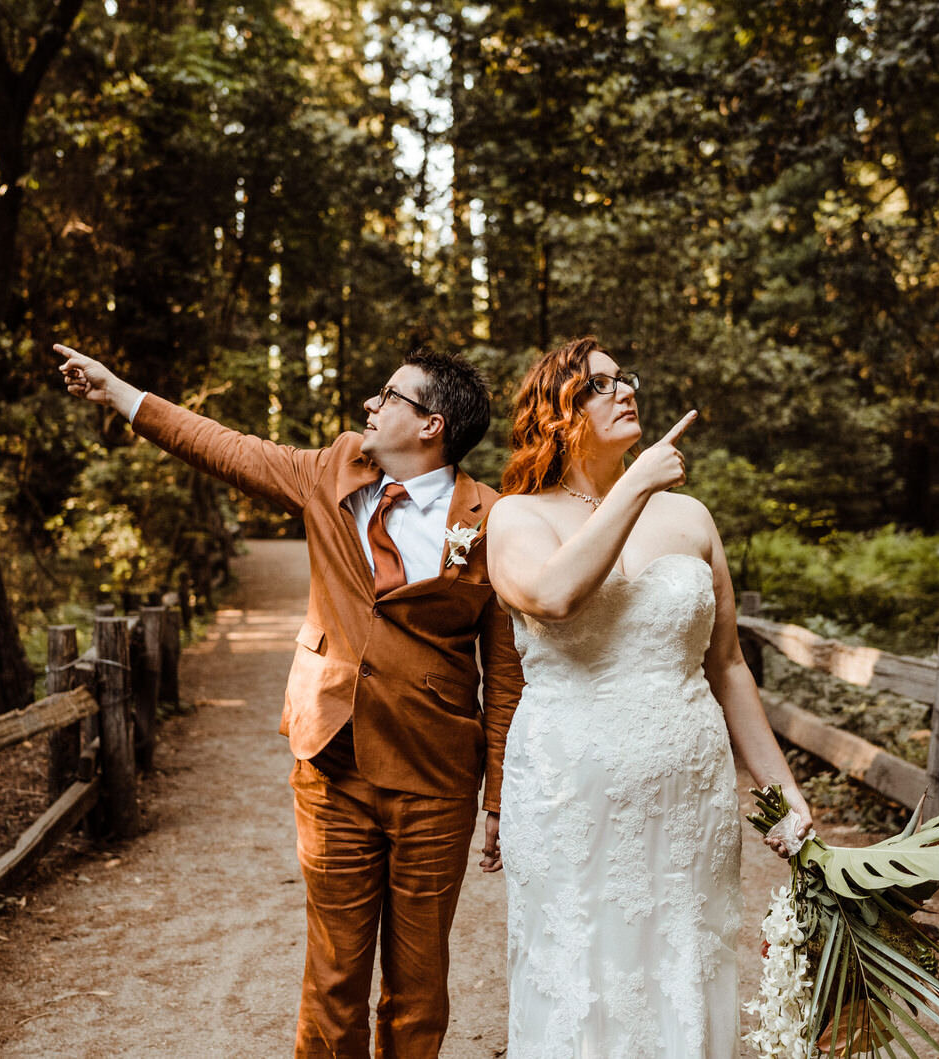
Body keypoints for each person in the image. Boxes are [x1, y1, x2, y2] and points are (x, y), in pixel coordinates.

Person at [53, 342, 523, 1058]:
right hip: (331, 762)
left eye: (389, 396)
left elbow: (506, 670)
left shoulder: (492, 519)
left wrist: (500, 796)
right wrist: (121, 392)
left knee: (420, 984)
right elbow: (225, 446)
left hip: (435, 781)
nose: (371, 404)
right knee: (333, 978)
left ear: (432, 424)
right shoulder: (332, 467)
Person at [485, 336, 814, 1057]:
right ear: (557, 413)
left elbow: (728, 667)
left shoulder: (691, 518)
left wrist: (781, 789)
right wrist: (635, 487)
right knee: (580, 971)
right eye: (599, 385)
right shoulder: (516, 517)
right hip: (569, 795)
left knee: (686, 967)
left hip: (689, 797)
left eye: (624, 378)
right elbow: (553, 595)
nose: (624, 390)